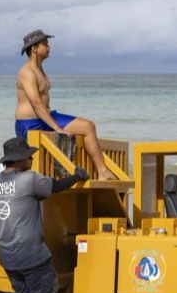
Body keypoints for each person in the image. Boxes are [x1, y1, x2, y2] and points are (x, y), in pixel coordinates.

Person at [0, 137, 89, 293]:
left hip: (6, 254)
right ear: (20, 160)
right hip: (31, 254)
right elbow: (55, 186)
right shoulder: (29, 180)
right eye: (29, 156)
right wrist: (77, 177)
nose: (32, 158)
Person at [15, 29, 115, 181]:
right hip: (30, 124)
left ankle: (102, 172)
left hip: (46, 117)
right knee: (37, 163)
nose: (49, 47)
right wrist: (58, 129)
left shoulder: (40, 69)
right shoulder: (27, 72)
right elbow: (36, 103)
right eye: (45, 44)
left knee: (88, 127)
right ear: (34, 48)